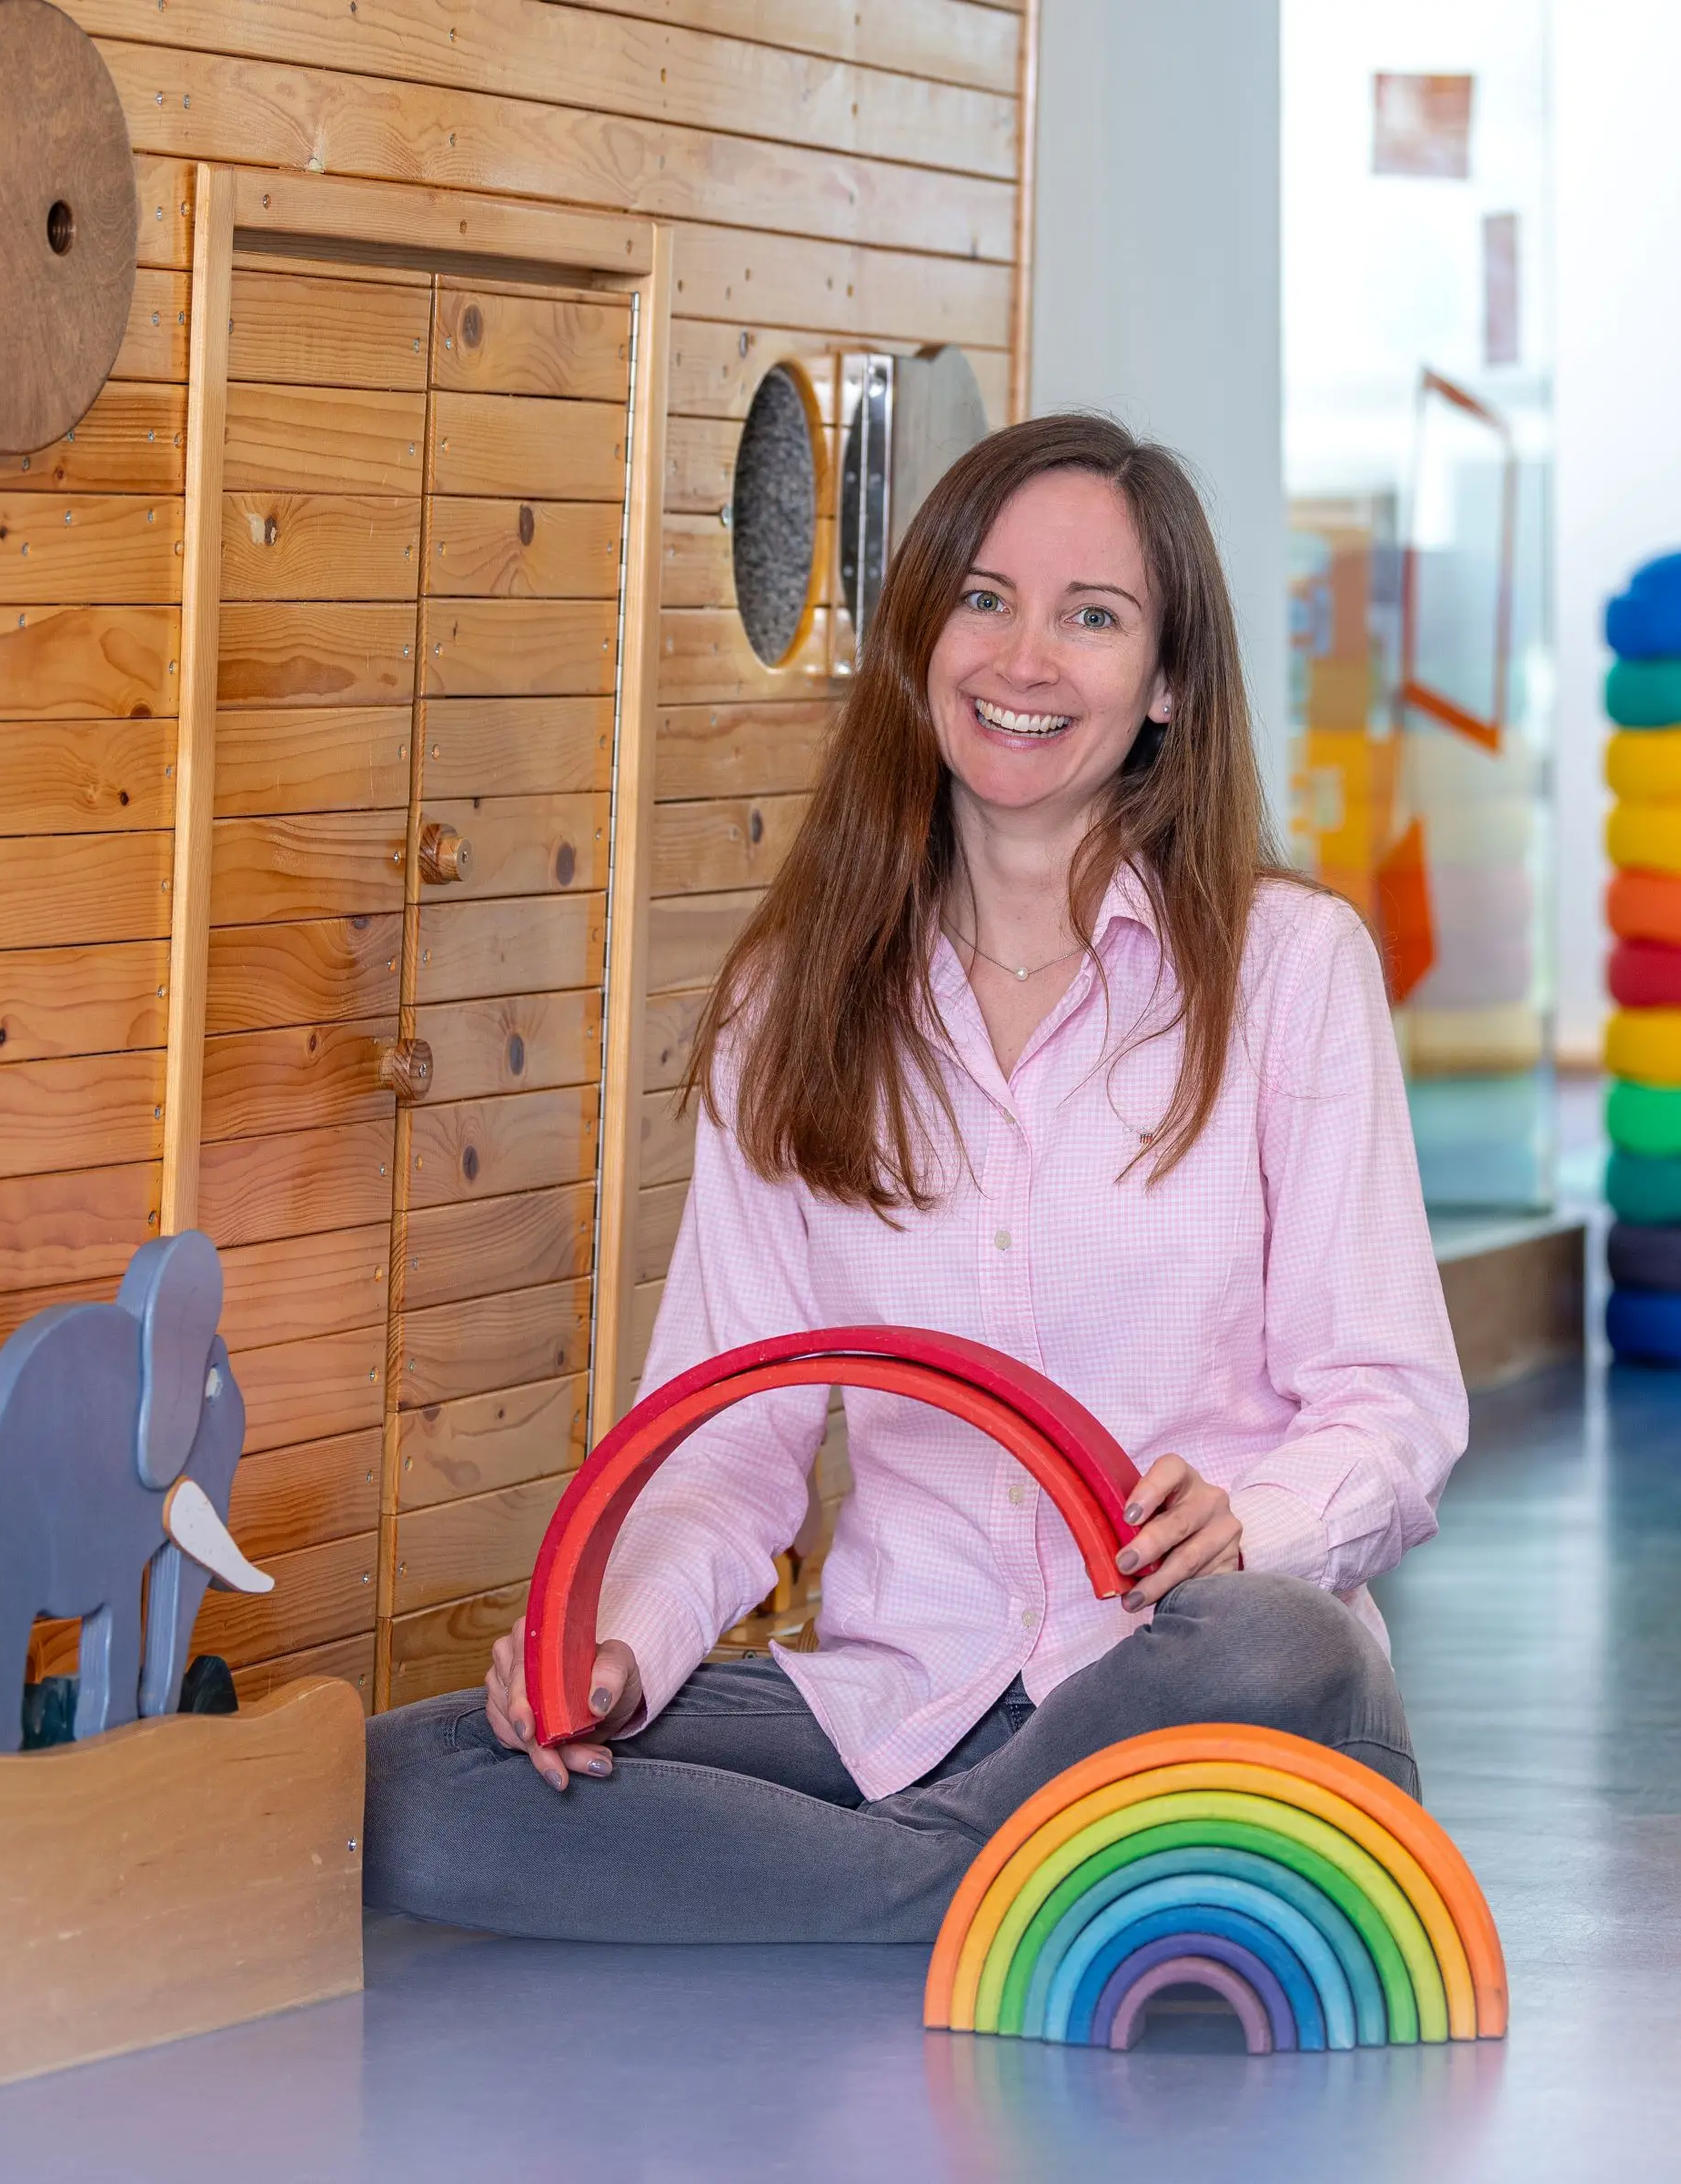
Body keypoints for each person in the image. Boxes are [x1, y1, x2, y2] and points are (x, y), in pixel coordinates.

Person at [363, 412, 1467, 1943]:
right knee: (411, 1783)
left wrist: (1252, 1527)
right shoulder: (792, 1000)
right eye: (983, 599)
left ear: (1164, 688)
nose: (1024, 659)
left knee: (1291, 1648)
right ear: (919, 637)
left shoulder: (1289, 968)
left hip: (1191, 1685)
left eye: (1092, 618)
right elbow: (728, 1438)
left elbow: (1393, 1402)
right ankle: (983, 1908)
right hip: (905, 1698)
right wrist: (612, 1648)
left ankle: (889, 1899)